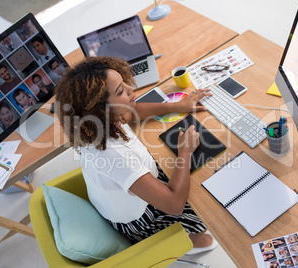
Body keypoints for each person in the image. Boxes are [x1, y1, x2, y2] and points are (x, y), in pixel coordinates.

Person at [55, 56, 217, 254]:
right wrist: (184, 151)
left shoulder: (103, 121)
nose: (131, 89)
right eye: (121, 91)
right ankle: (190, 240)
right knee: (207, 208)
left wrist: (177, 106)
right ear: (101, 109)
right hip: (141, 219)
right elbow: (173, 205)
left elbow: (131, 112)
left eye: (123, 83)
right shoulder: (112, 154)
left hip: (123, 197)